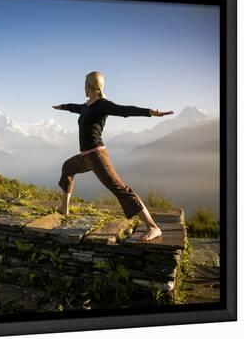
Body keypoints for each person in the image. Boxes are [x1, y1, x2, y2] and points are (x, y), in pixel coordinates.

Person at [52, 71, 174, 242]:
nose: (83, 88)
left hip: (97, 156)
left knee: (120, 189)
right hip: (85, 157)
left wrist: (151, 112)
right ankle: (64, 209)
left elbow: (125, 111)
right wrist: (63, 106)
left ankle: (153, 227)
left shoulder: (103, 105)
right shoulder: (87, 107)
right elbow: (75, 108)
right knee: (67, 167)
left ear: (90, 86)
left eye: (85, 84)